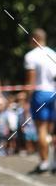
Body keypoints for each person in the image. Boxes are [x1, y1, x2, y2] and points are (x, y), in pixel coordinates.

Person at [23, 28, 56, 174]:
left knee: (41, 130)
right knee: (51, 131)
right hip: (53, 93)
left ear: (34, 39)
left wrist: (27, 99)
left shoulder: (31, 56)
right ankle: (53, 162)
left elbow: (30, 81)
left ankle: (44, 163)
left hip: (40, 93)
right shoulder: (53, 54)